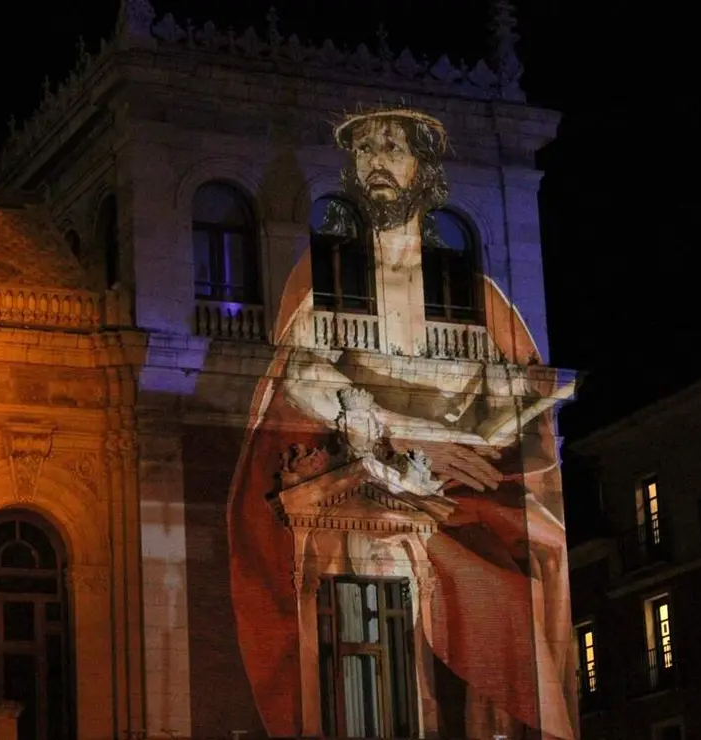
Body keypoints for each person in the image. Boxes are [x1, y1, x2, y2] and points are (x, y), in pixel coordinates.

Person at [226, 107, 576, 740]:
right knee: (474, 599)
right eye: (365, 150)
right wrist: (407, 436)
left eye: (393, 147)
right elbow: (296, 379)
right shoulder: (317, 280)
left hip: (469, 500)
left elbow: (532, 400)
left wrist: (475, 442)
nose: (378, 161)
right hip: (368, 495)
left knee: (524, 578)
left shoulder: (482, 296)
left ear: (424, 169)